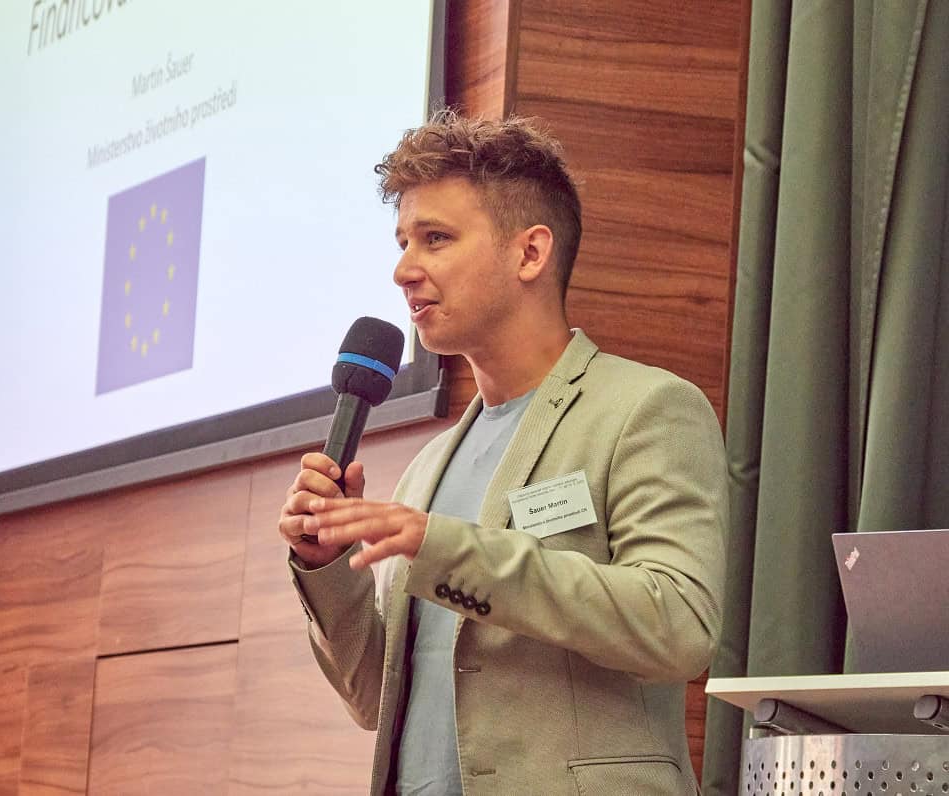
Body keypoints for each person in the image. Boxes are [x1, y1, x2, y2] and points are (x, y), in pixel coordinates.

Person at [278, 111, 727, 795]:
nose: (403, 270)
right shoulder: (428, 468)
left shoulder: (646, 409)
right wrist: (327, 565)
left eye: (435, 238)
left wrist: (445, 548)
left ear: (530, 254)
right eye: (402, 242)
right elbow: (373, 699)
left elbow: (678, 626)